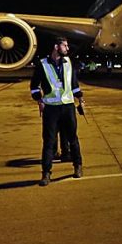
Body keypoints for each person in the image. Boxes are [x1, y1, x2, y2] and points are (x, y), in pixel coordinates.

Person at [29, 37, 84, 186]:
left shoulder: (68, 63)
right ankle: (46, 174)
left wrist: (80, 97)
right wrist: (38, 99)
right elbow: (34, 85)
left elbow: (74, 83)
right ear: (56, 47)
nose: (67, 48)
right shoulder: (42, 64)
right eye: (64, 45)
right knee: (49, 142)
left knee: (73, 138)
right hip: (51, 109)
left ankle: (78, 166)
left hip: (67, 106)